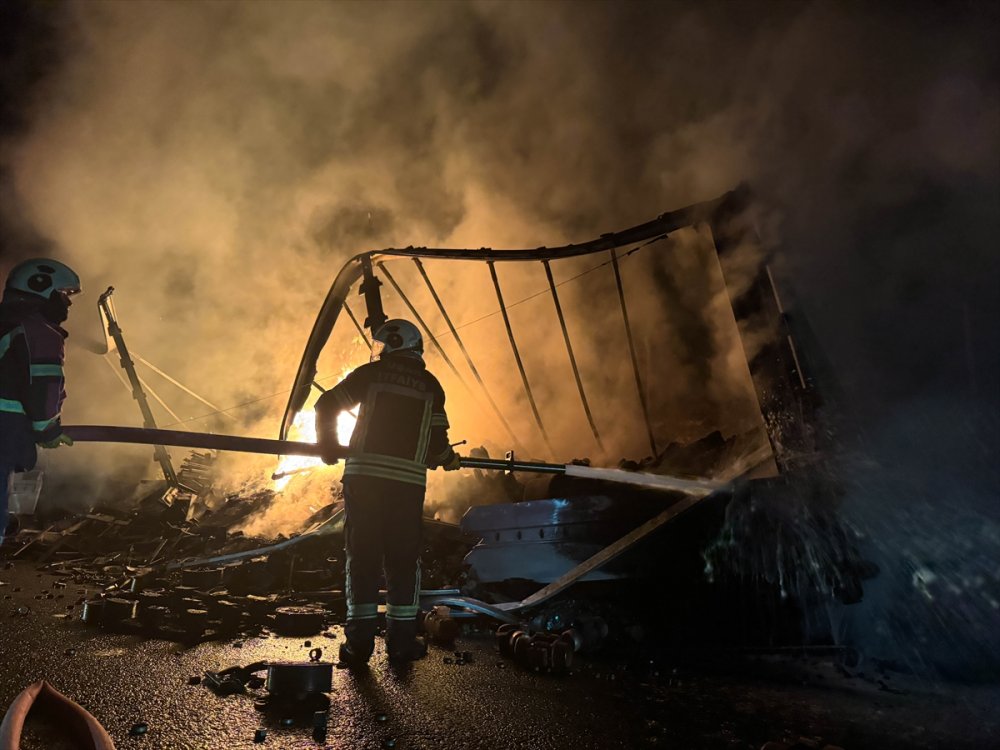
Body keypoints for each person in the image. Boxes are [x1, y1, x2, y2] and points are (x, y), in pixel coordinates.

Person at [315, 318, 461, 665]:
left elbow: (325, 406)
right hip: (406, 487)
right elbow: (437, 445)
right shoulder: (430, 385)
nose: (379, 351)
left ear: (393, 345)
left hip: (364, 482)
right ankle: (402, 644)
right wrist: (449, 459)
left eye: (382, 345)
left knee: (362, 558)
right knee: (403, 563)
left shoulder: (370, 375)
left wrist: (329, 447)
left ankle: (359, 646)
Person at [0, 259, 80, 546]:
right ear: (40, 287)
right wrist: (47, 430)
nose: (67, 305)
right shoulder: (39, 332)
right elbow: (44, 387)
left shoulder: (7, 323)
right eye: (63, 295)